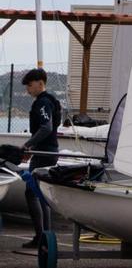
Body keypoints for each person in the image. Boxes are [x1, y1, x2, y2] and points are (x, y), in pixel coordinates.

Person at [21, 68, 61, 250]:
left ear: (40, 83)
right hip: (45, 151)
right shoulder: (49, 101)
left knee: (36, 193)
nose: (28, 90)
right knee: (36, 193)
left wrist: (28, 145)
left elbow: (46, 128)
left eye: (29, 85)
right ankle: (43, 235)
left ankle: (43, 236)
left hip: (45, 153)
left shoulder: (43, 102)